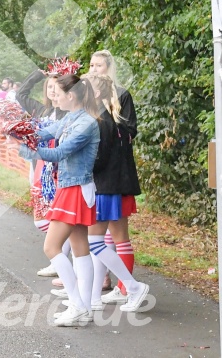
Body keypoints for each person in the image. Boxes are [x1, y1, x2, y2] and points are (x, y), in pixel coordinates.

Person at [16, 74, 100, 327]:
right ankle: (83, 308)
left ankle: (77, 304)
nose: (54, 97)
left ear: (70, 95)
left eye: (58, 93)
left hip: (75, 188)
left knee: (51, 247)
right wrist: (17, 130)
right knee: (80, 250)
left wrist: (27, 148)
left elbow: (59, 152)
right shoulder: (71, 118)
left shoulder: (85, 123)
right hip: (72, 186)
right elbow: (44, 131)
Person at [88, 50, 142, 304]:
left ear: (108, 67)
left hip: (115, 175)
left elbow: (130, 130)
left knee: (114, 235)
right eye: (91, 64)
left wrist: (108, 121)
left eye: (98, 65)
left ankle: (125, 287)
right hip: (101, 177)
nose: (93, 68)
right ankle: (103, 286)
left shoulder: (121, 95)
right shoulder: (89, 98)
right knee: (103, 236)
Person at [15, 69, 67, 279]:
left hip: (57, 171)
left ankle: (59, 260)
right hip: (39, 168)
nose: (53, 92)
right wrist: (38, 73)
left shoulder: (68, 113)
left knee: (58, 217)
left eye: (57, 87)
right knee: (41, 219)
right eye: (50, 87)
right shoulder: (42, 110)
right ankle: (59, 257)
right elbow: (21, 95)